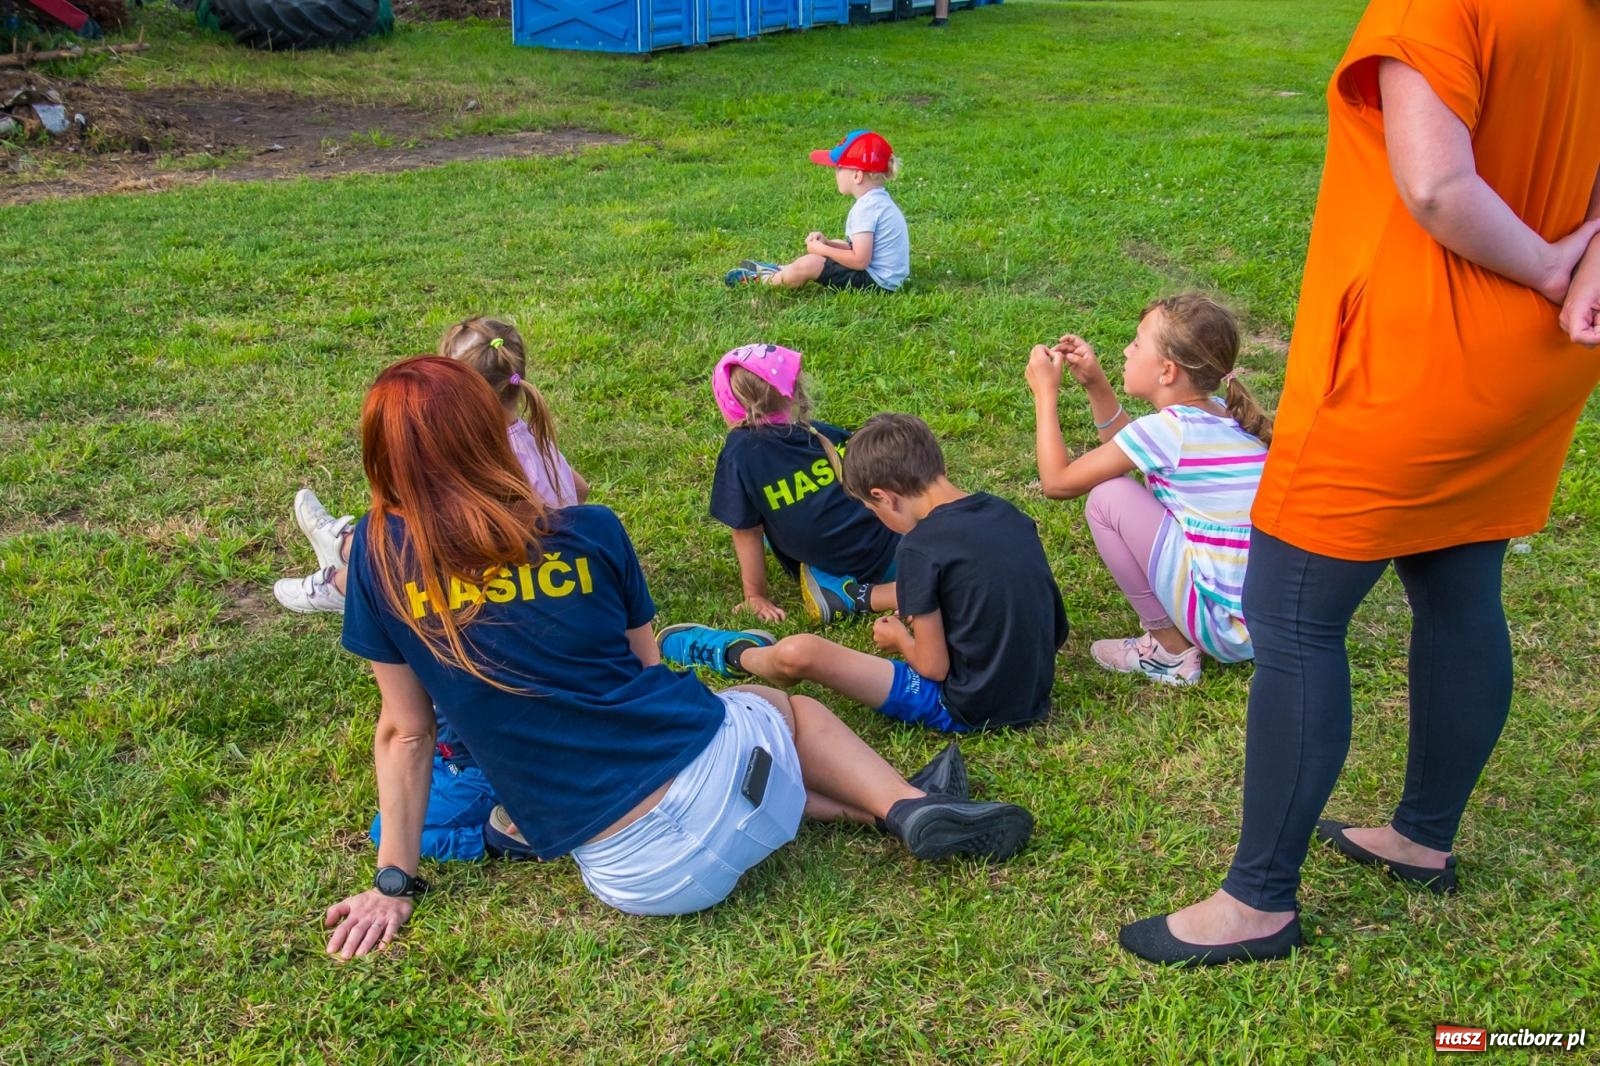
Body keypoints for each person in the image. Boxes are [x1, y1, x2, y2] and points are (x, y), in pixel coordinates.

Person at [1119, 0, 1600, 967]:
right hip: (1531, 363)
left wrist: (1556, 262)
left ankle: (1257, 904)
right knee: (1461, 585)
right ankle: (1421, 838)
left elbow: (1434, 185)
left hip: (1414, 358)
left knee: (1293, 614)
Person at [323, 358, 1036, 959]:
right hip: (739, 790)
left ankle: (887, 810)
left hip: (639, 881)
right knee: (782, 709)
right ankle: (905, 806)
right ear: (491, 437)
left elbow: (406, 732)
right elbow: (648, 670)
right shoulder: (591, 532)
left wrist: (393, 884)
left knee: (745, 745)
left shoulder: (379, 564)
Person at [660, 414, 1069, 733]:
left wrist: (899, 639)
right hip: (1036, 694)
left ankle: (732, 653)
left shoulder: (919, 548)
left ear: (883, 498)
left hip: (963, 705)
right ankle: (838, 603)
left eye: (871, 512)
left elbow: (933, 668)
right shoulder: (1007, 513)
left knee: (800, 653)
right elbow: (1056, 628)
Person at [1025, 295, 1272, 686]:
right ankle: (1178, 634)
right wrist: (1095, 383)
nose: (1126, 349)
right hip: (1259, 623)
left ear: (1167, 371)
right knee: (1122, 489)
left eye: (1137, 343)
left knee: (1108, 499)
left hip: (1225, 628)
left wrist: (1045, 394)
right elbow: (1129, 448)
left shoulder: (1169, 432)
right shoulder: (1225, 414)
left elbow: (1057, 482)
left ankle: (1168, 651)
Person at [274, 317, 588, 615]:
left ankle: (342, 586)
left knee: (408, 537)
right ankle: (344, 546)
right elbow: (579, 489)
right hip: (557, 573)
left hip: (506, 584)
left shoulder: (483, 456)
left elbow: (450, 543)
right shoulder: (532, 435)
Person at [707, 342, 901, 624]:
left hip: (840, 563)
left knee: (936, 587)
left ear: (729, 403)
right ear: (795, 392)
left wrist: (755, 595)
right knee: (948, 571)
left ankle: (847, 593)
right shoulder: (826, 435)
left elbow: (745, 530)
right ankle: (832, 585)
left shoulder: (739, 454)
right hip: (898, 544)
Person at [725, 130, 910, 293]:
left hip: (879, 284)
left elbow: (860, 261)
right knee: (834, 245)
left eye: (838, 168)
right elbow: (862, 251)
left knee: (811, 263)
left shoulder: (866, 209)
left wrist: (822, 249)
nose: (835, 173)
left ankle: (762, 281)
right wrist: (829, 244)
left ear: (857, 175)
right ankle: (782, 269)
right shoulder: (877, 201)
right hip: (887, 278)